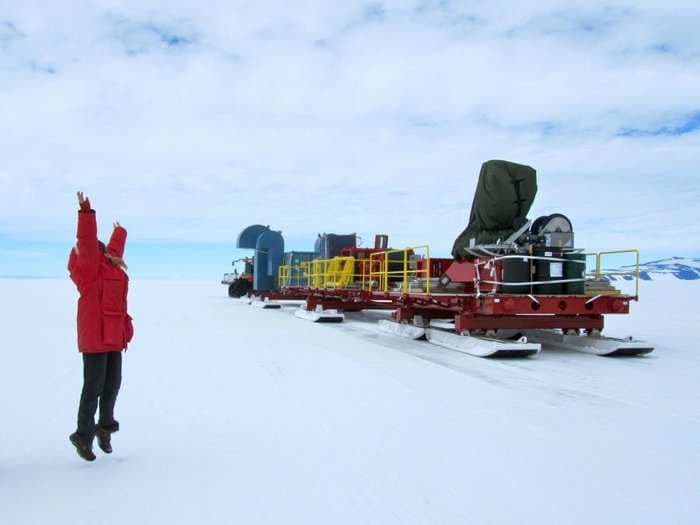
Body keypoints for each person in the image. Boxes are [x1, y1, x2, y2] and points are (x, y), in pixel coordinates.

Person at [67, 192, 134, 461]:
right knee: (93, 386)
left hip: (114, 335)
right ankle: (83, 435)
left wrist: (120, 231)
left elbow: (115, 249)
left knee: (112, 384)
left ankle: (104, 428)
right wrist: (86, 214)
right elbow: (85, 240)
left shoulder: (110, 265)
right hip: (95, 335)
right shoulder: (89, 270)